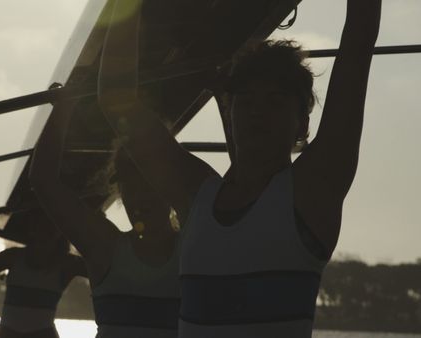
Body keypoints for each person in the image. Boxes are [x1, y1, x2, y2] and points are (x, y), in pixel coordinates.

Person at [97, 0, 381, 337]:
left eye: (274, 102)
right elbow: (115, 98)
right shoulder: (197, 195)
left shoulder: (312, 191)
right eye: (246, 101)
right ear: (230, 115)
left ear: (303, 126)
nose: (256, 113)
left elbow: (360, 38)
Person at [28, 99, 181, 338]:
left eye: (147, 180)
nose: (139, 194)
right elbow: (43, 181)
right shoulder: (106, 247)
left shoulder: (199, 244)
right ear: (120, 192)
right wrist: (63, 107)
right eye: (129, 184)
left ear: (170, 182)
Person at [0, 221, 87, 338]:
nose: (44, 229)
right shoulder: (13, 256)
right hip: (9, 334)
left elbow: (105, 268)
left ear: (60, 231)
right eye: (39, 224)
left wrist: (92, 230)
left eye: (49, 226)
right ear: (31, 229)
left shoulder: (69, 263)